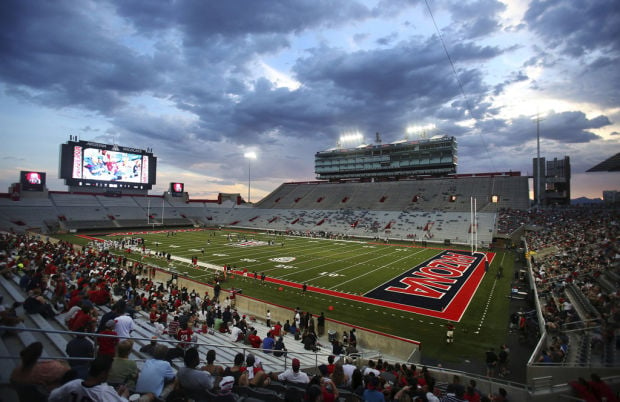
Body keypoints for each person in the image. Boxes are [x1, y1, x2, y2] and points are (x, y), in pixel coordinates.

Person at [48, 355, 132, 402]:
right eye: (109, 371)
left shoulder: (75, 384)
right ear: (103, 374)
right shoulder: (103, 392)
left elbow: (52, 397)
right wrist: (124, 396)